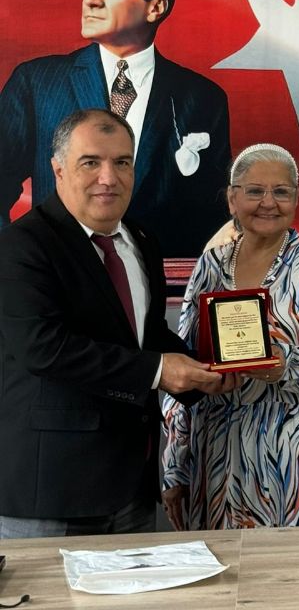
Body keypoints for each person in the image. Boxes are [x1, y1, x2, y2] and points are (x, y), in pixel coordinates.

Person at [0, 108, 230, 539]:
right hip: (51, 491)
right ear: (58, 170)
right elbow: (44, 348)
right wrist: (159, 371)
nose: (108, 177)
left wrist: (205, 373)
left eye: (122, 162)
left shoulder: (141, 241)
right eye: (91, 162)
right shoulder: (21, 245)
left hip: (131, 484)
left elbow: (146, 334)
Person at [162, 143, 299, 529]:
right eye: (255, 191)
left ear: (296, 198)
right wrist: (175, 466)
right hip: (223, 463)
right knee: (233, 566)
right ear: (232, 199)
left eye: (281, 191)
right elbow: (183, 368)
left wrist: (283, 364)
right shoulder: (209, 266)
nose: (268, 203)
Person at [0, 0, 232, 257]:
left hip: (161, 278)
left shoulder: (203, 97)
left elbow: (214, 211)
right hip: (58, 272)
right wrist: (15, 261)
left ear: (155, 7)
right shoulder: (36, 82)